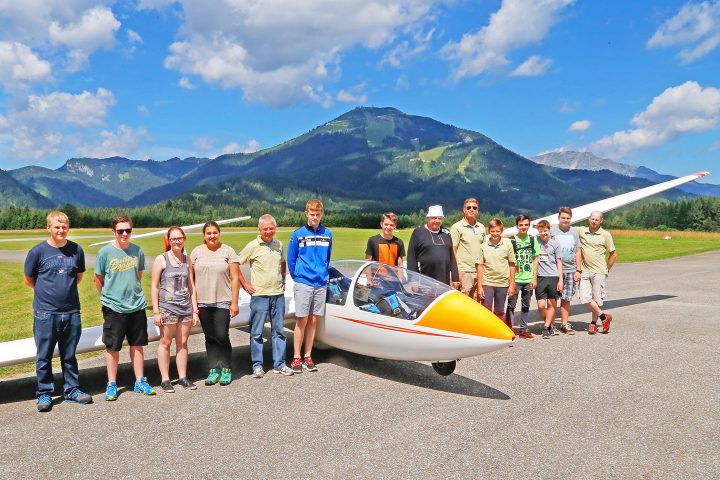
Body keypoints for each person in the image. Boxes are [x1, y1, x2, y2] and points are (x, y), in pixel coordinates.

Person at [23, 211, 92, 412]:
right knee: (43, 355)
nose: (61, 230)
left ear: (68, 228)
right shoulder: (37, 252)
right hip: (45, 313)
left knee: (69, 354)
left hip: (71, 312)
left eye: (64, 227)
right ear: (49, 228)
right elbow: (29, 280)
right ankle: (44, 393)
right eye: (57, 227)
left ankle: (72, 390)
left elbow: (78, 276)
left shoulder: (76, 250)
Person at [94, 215, 155, 401]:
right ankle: (111, 384)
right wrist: (106, 297)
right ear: (114, 232)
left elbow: (138, 275)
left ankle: (139, 381)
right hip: (114, 307)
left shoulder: (138, 251)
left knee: (137, 345)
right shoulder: (105, 252)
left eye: (127, 230)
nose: (124, 234)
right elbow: (98, 278)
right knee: (113, 347)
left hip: (136, 306)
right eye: (120, 231)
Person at [237, 214, 294, 378]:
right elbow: (234, 264)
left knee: (279, 331)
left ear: (275, 228)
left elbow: (282, 262)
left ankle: (280, 364)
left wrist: (283, 278)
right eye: (265, 229)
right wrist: (244, 284)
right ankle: (257, 365)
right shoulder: (252, 246)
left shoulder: (279, 244)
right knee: (256, 333)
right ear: (259, 229)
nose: (269, 231)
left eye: (271, 228)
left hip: (277, 294)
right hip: (260, 296)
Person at [190, 221, 240, 385]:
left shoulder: (228, 251)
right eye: (208, 233)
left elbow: (235, 278)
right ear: (204, 235)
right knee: (209, 337)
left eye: (214, 232)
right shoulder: (196, 252)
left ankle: (226, 368)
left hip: (222, 301)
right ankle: (213, 370)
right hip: (202, 302)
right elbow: (191, 280)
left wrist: (234, 302)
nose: (212, 236)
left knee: (221, 335)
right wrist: (193, 304)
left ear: (219, 233)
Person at [150, 226, 199, 393]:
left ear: (184, 239)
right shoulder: (161, 259)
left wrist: (194, 309)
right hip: (167, 308)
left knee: (183, 343)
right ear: (168, 241)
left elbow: (191, 286)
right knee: (165, 343)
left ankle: (183, 377)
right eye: (173, 239)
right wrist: (156, 311)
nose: (177, 241)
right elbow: (154, 286)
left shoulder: (187, 259)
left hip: (185, 307)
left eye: (179, 238)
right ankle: (165, 379)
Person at [287, 199, 332, 373]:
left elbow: (327, 258)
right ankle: (296, 357)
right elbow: (291, 259)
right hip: (304, 282)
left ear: (322, 214)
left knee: (314, 320)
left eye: (317, 214)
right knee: (302, 320)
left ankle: (308, 356)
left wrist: (322, 274)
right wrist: (298, 277)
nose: (314, 217)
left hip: (320, 282)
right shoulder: (298, 234)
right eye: (312, 214)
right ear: (306, 213)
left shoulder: (328, 234)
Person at [578, 211, 617, 334]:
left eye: (597, 219)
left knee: (597, 299)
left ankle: (593, 324)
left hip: (599, 271)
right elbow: (565, 226)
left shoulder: (605, 235)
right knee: (584, 298)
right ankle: (604, 317)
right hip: (584, 270)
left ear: (601, 221)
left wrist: (606, 269)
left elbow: (613, 254)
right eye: (592, 219)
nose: (594, 221)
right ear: (588, 219)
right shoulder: (581, 231)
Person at [406, 205, 460, 288]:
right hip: (424, 280)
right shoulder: (418, 232)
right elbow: (411, 257)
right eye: (434, 218)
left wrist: (455, 278)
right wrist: (413, 280)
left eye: (440, 218)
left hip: (444, 280)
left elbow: (452, 257)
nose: (437, 221)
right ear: (428, 218)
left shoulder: (446, 233)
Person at [506, 214, 541, 339]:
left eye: (526, 225)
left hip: (528, 279)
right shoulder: (511, 241)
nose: (523, 227)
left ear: (529, 226)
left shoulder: (532, 240)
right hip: (515, 279)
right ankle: (508, 329)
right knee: (511, 305)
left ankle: (523, 329)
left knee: (526, 305)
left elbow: (535, 260)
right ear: (517, 226)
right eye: (521, 225)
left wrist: (534, 278)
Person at [477, 218, 516, 326]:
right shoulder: (483, 246)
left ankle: (498, 333)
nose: (495, 234)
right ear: (489, 231)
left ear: (501, 231)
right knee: (486, 310)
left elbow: (512, 265)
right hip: (487, 282)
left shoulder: (507, 245)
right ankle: (486, 332)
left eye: (497, 231)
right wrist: (479, 286)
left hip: (502, 283)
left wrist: (512, 284)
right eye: (492, 231)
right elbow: (480, 266)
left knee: (499, 311)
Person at [550, 207, 580, 334]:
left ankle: (564, 324)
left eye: (568, 218)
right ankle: (550, 325)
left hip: (570, 269)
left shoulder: (574, 231)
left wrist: (578, 270)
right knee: (552, 299)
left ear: (570, 219)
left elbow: (578, 251)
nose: (565, 220)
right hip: (554, 270)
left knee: (566, 298)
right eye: (563, 218)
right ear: (558, 218)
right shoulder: (552, 230)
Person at [450, 198, 485, 301]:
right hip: (464, 271)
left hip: (479, 270)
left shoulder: (481, 227)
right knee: (464, 301)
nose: (471, 210)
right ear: (464, 210)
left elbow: (484, 249)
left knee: (478, 301)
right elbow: (453, 250)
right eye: (468, 207)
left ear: (477, 210)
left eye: (474, 208)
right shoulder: (457, 227)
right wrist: (457, 272)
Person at [534, 220, 564, 339]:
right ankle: (550, 324)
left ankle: (546, 327)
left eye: (545, 231)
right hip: (540, 277)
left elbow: (559, 262)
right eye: (540, 231)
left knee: (552, 304)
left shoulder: (555, 244)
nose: (543, 233)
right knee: (541, 305)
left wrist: (561, 280)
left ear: (549, 229)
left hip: (553, 276)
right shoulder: (536, 241)